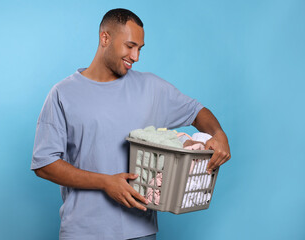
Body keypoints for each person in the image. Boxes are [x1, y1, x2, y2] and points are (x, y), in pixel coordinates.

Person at [31, 8, 231, 240]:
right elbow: (44, 164)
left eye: (140, 49)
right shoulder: (63, 94)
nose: (135, 56)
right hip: (84, 232)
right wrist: (105, 183)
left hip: (141, 231)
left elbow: (197, 111)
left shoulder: (151, 88)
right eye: (130, 46)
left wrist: (218, 133)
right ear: (105, 38)